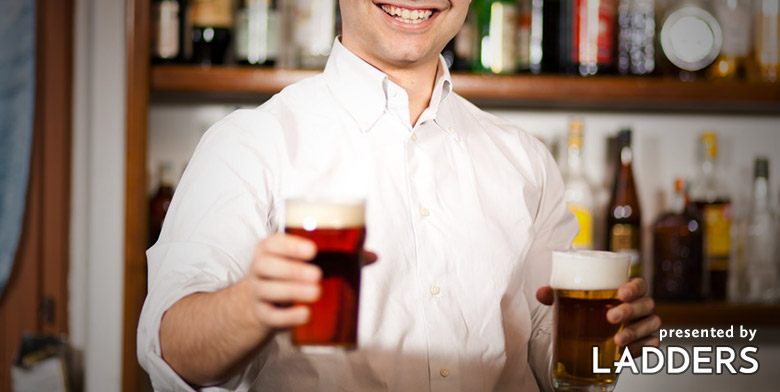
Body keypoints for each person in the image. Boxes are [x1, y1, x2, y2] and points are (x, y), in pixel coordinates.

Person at [137, 1, 661, 391]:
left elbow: (550, 355)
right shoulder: (251, 144)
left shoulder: (526, 161)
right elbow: (171, 351)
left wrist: (611, 347)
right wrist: (252, 304)